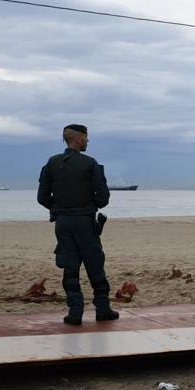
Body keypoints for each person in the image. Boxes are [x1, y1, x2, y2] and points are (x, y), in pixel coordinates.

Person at [37, 123, 120, 325]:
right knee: (95, 265)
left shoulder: (52, 163)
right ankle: (102, 309)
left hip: (62, 222)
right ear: (79, 139)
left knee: (70, 266)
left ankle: (75, 313)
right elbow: (103, 199)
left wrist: (58, 208)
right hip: (84, 221)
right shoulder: (90, 164)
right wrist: (87, 206)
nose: (88, 141)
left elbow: (42, 197)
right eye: (86, 137)